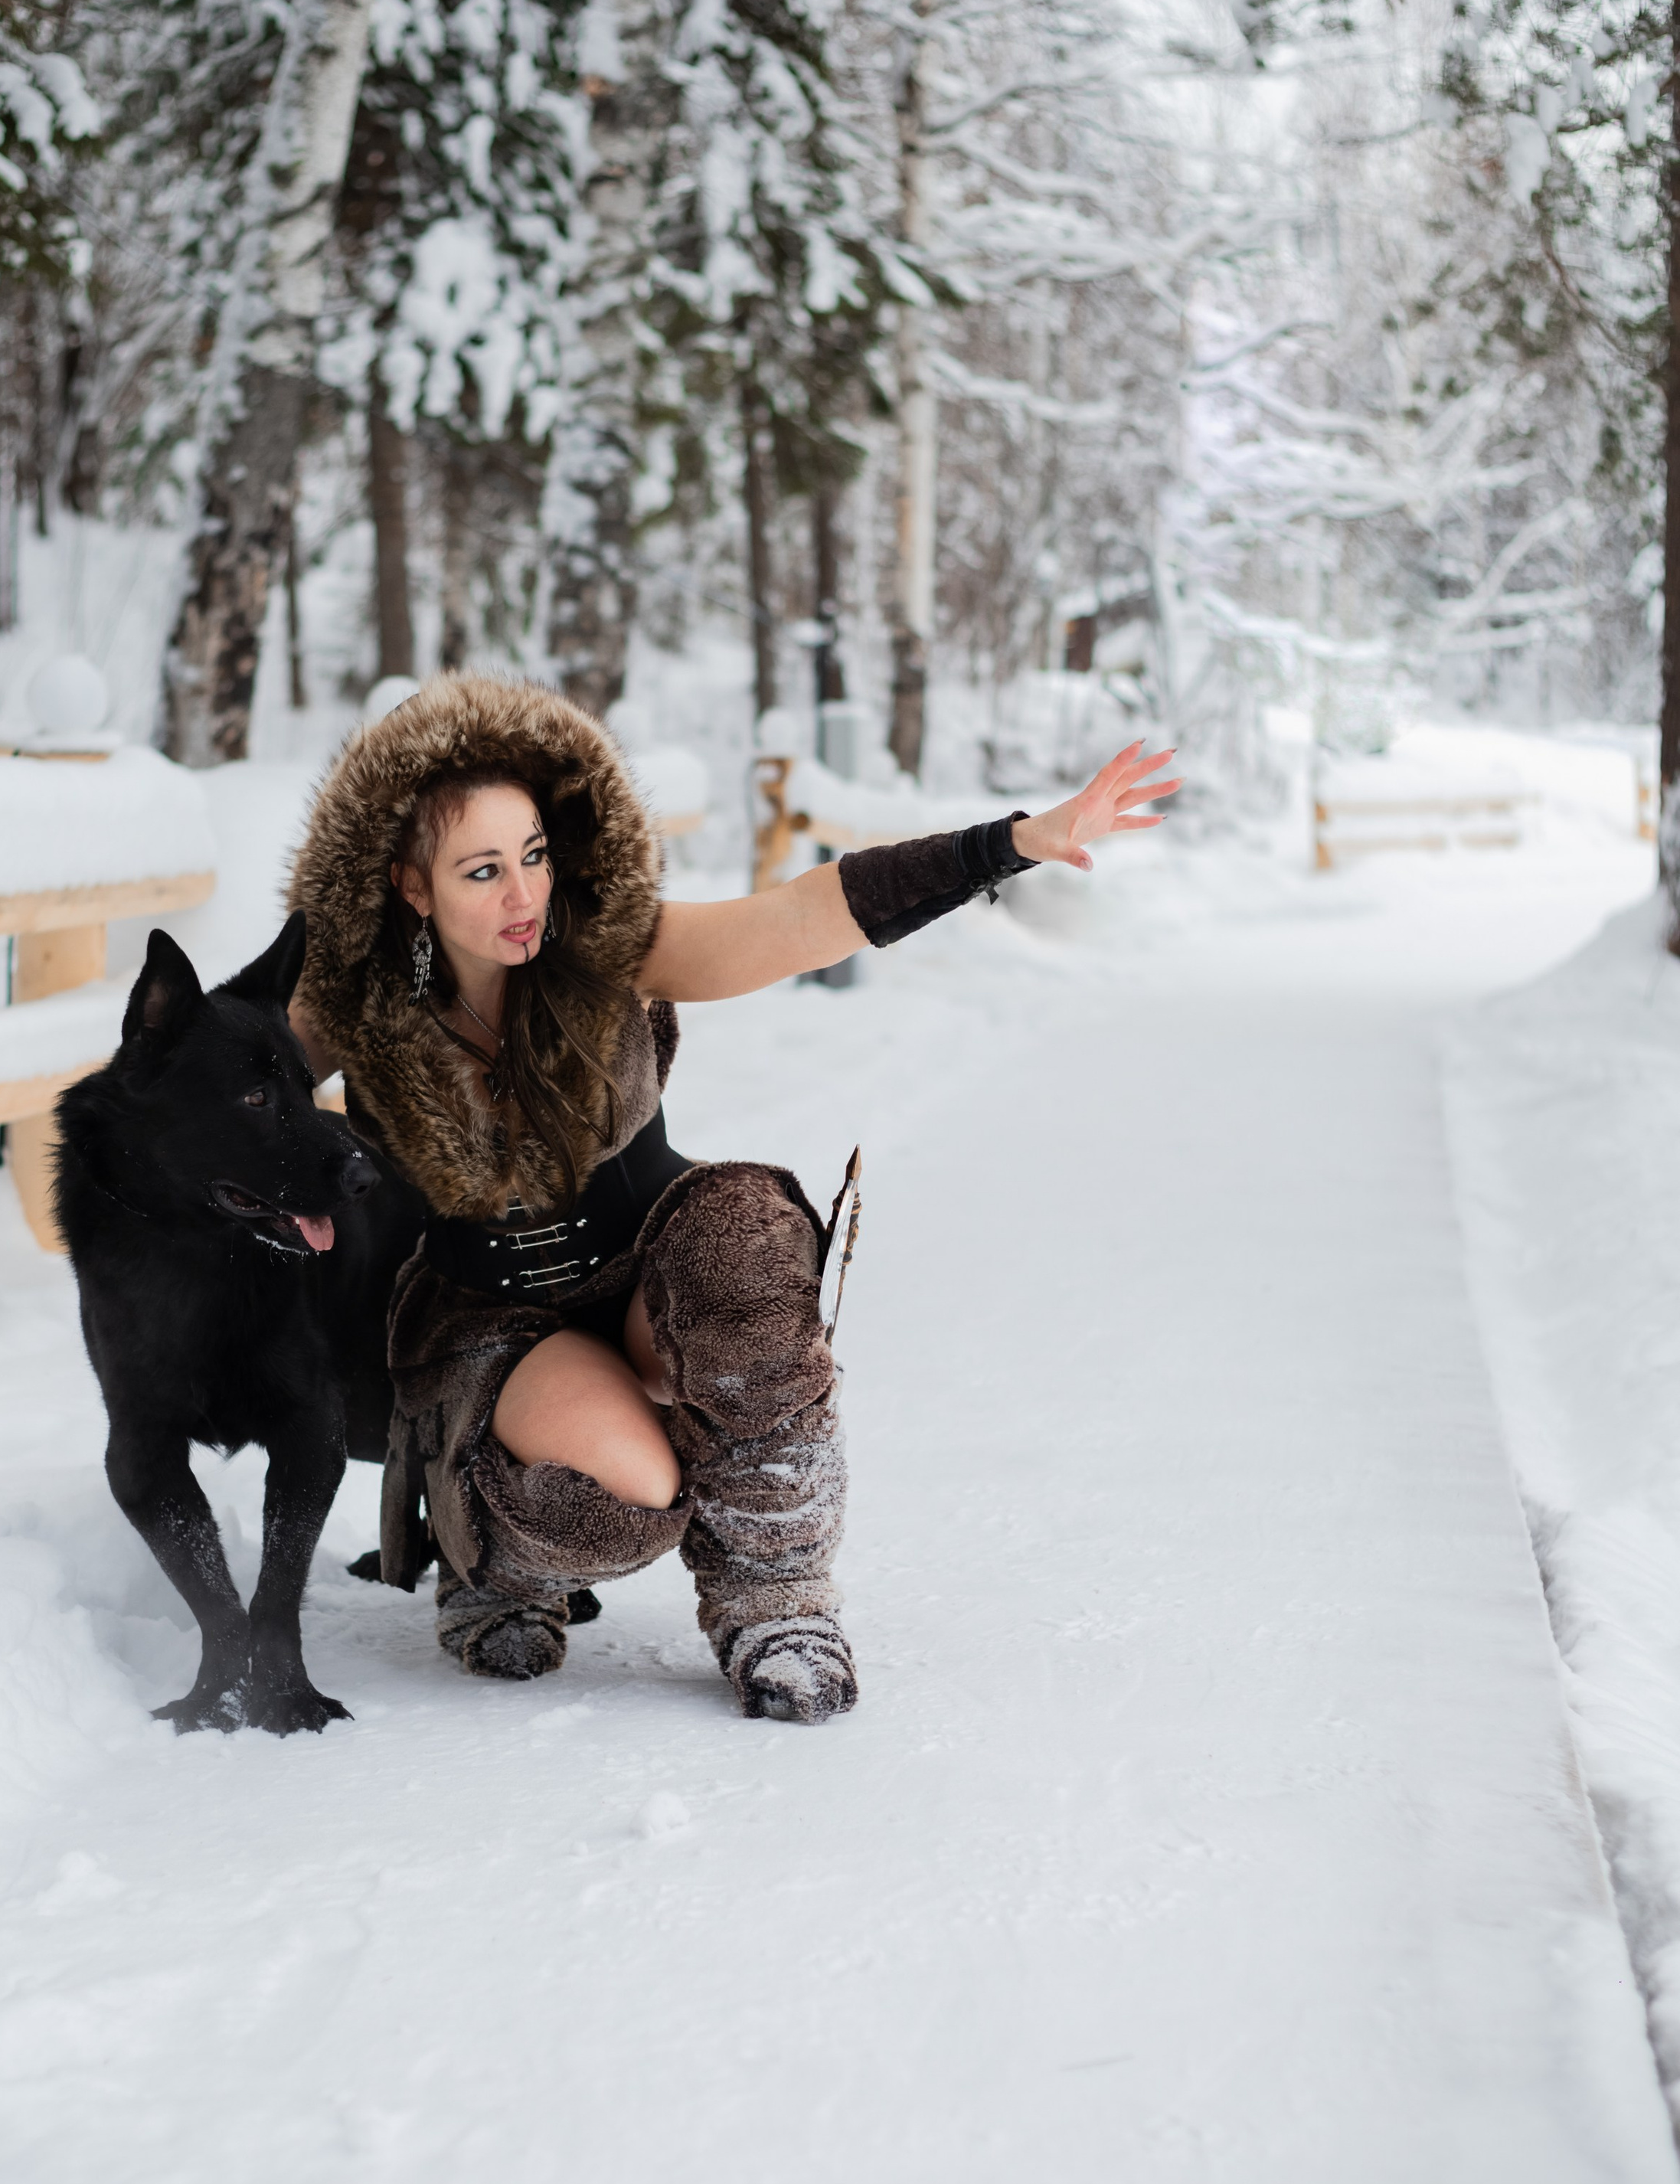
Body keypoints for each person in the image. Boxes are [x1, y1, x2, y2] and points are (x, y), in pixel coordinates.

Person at [288, 676, 1175, 1721]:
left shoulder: (608, 945)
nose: (523, 895)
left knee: (746, 1246)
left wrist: (1014, 841)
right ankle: (497, 1566)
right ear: (409, 884)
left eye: (532, 855)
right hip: (499, 1320)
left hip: (648, 1265)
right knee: (630, 1496)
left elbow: (803, 913)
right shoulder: (349, 1009)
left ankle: (777, 1602)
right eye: (482, 871)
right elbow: (207, 1093)